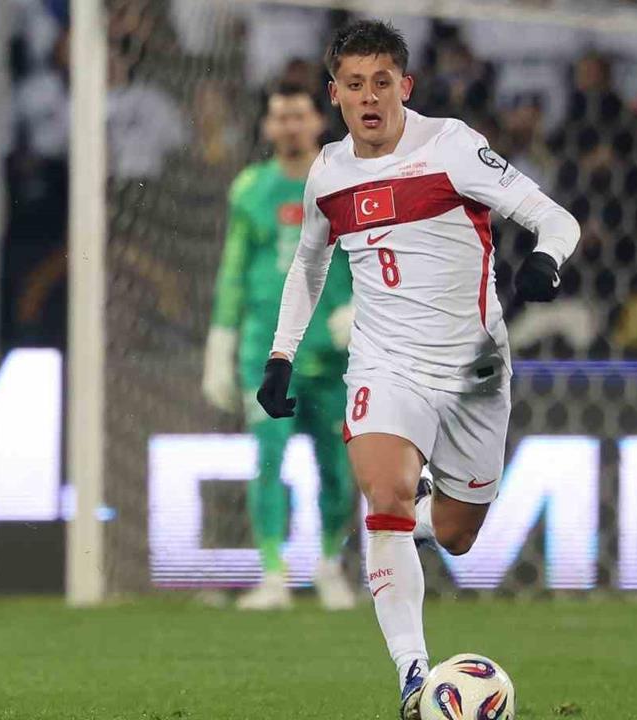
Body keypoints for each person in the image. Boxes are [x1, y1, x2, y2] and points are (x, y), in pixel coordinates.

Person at [254, 21, 579, 719]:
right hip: (383, 363)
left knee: (457, 534)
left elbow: (557, 220)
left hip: (473, 372)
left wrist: (546, 261)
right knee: (386, 494)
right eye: (354, 84)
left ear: (405, 86)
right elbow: (309, 265)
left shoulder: (452, 146)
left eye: (382, 82)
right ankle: (413, 676)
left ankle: (416, 515)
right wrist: (281, 354)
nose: (369, 97)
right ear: (335, 94)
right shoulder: (328, 173)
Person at [203, 81, 358, 611]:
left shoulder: (346, 181)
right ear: (268, 126)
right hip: (267, 353)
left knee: (336, 468)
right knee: (268, 458)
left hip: (333, 353)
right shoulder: (250, 189)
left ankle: (329, 565)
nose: (290, 126)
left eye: (298, 115)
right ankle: (273, 573)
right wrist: (220, 343)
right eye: (280, 117)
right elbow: (234, 271)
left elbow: (375, 252)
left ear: (318, 121)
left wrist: (362, 308)